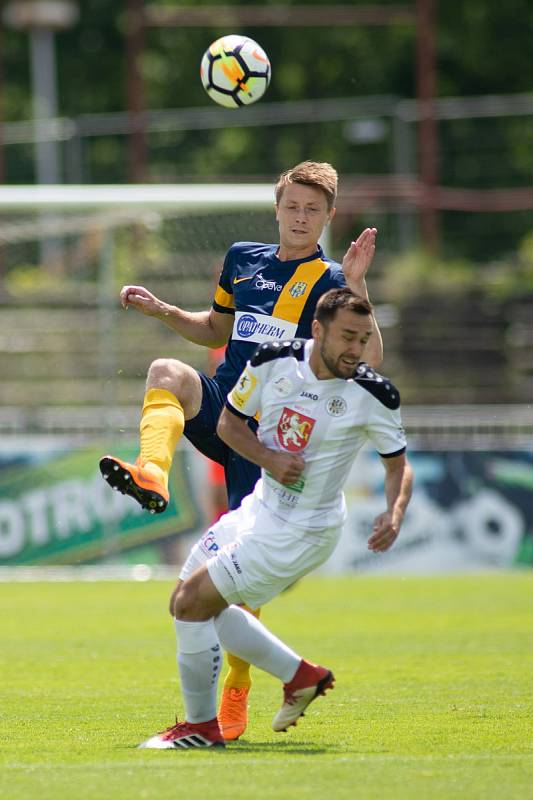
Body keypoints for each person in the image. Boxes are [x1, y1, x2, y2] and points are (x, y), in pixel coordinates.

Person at [99, 160, 383, 740]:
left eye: (313, 211)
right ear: (276, 209)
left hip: (267, 441)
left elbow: (370, 359)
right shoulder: (242, 259)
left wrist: (357, 285)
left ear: (329, 218)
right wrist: (165, 312)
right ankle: (152, 472)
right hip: (224, 410)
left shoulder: (330, 281)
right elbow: (217, 330)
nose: (301, 218)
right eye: (292, 207)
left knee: (229, 582)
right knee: (166, 371)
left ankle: (234, 700)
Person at [138, 287, 413, 749]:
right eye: (347, 336)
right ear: (318, 330)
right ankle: (300, 676)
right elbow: (228, 424)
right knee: (188, 602)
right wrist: (268, 458)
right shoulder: (273, 361)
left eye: (363, 339)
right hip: (261, 509)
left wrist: (395, 511)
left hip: (301, 532)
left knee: (192, 603)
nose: (356, 350)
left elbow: (397, 465)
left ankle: (202, 728)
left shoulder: (372, 395)